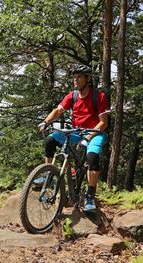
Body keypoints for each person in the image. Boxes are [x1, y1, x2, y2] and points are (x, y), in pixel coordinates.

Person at [37, 64, 110, 212]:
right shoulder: (73, 96)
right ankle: (48, 176)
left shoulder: (99, 96)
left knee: (92, 158)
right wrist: (46, 122)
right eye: (74, 77)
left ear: (87, 79)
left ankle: (89, 196)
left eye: (79, 77)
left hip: (94, 132)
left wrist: (88, 137)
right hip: (76, 131)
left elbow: (103, 122)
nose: (75, 80)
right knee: (50, 140)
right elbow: (58, 110)